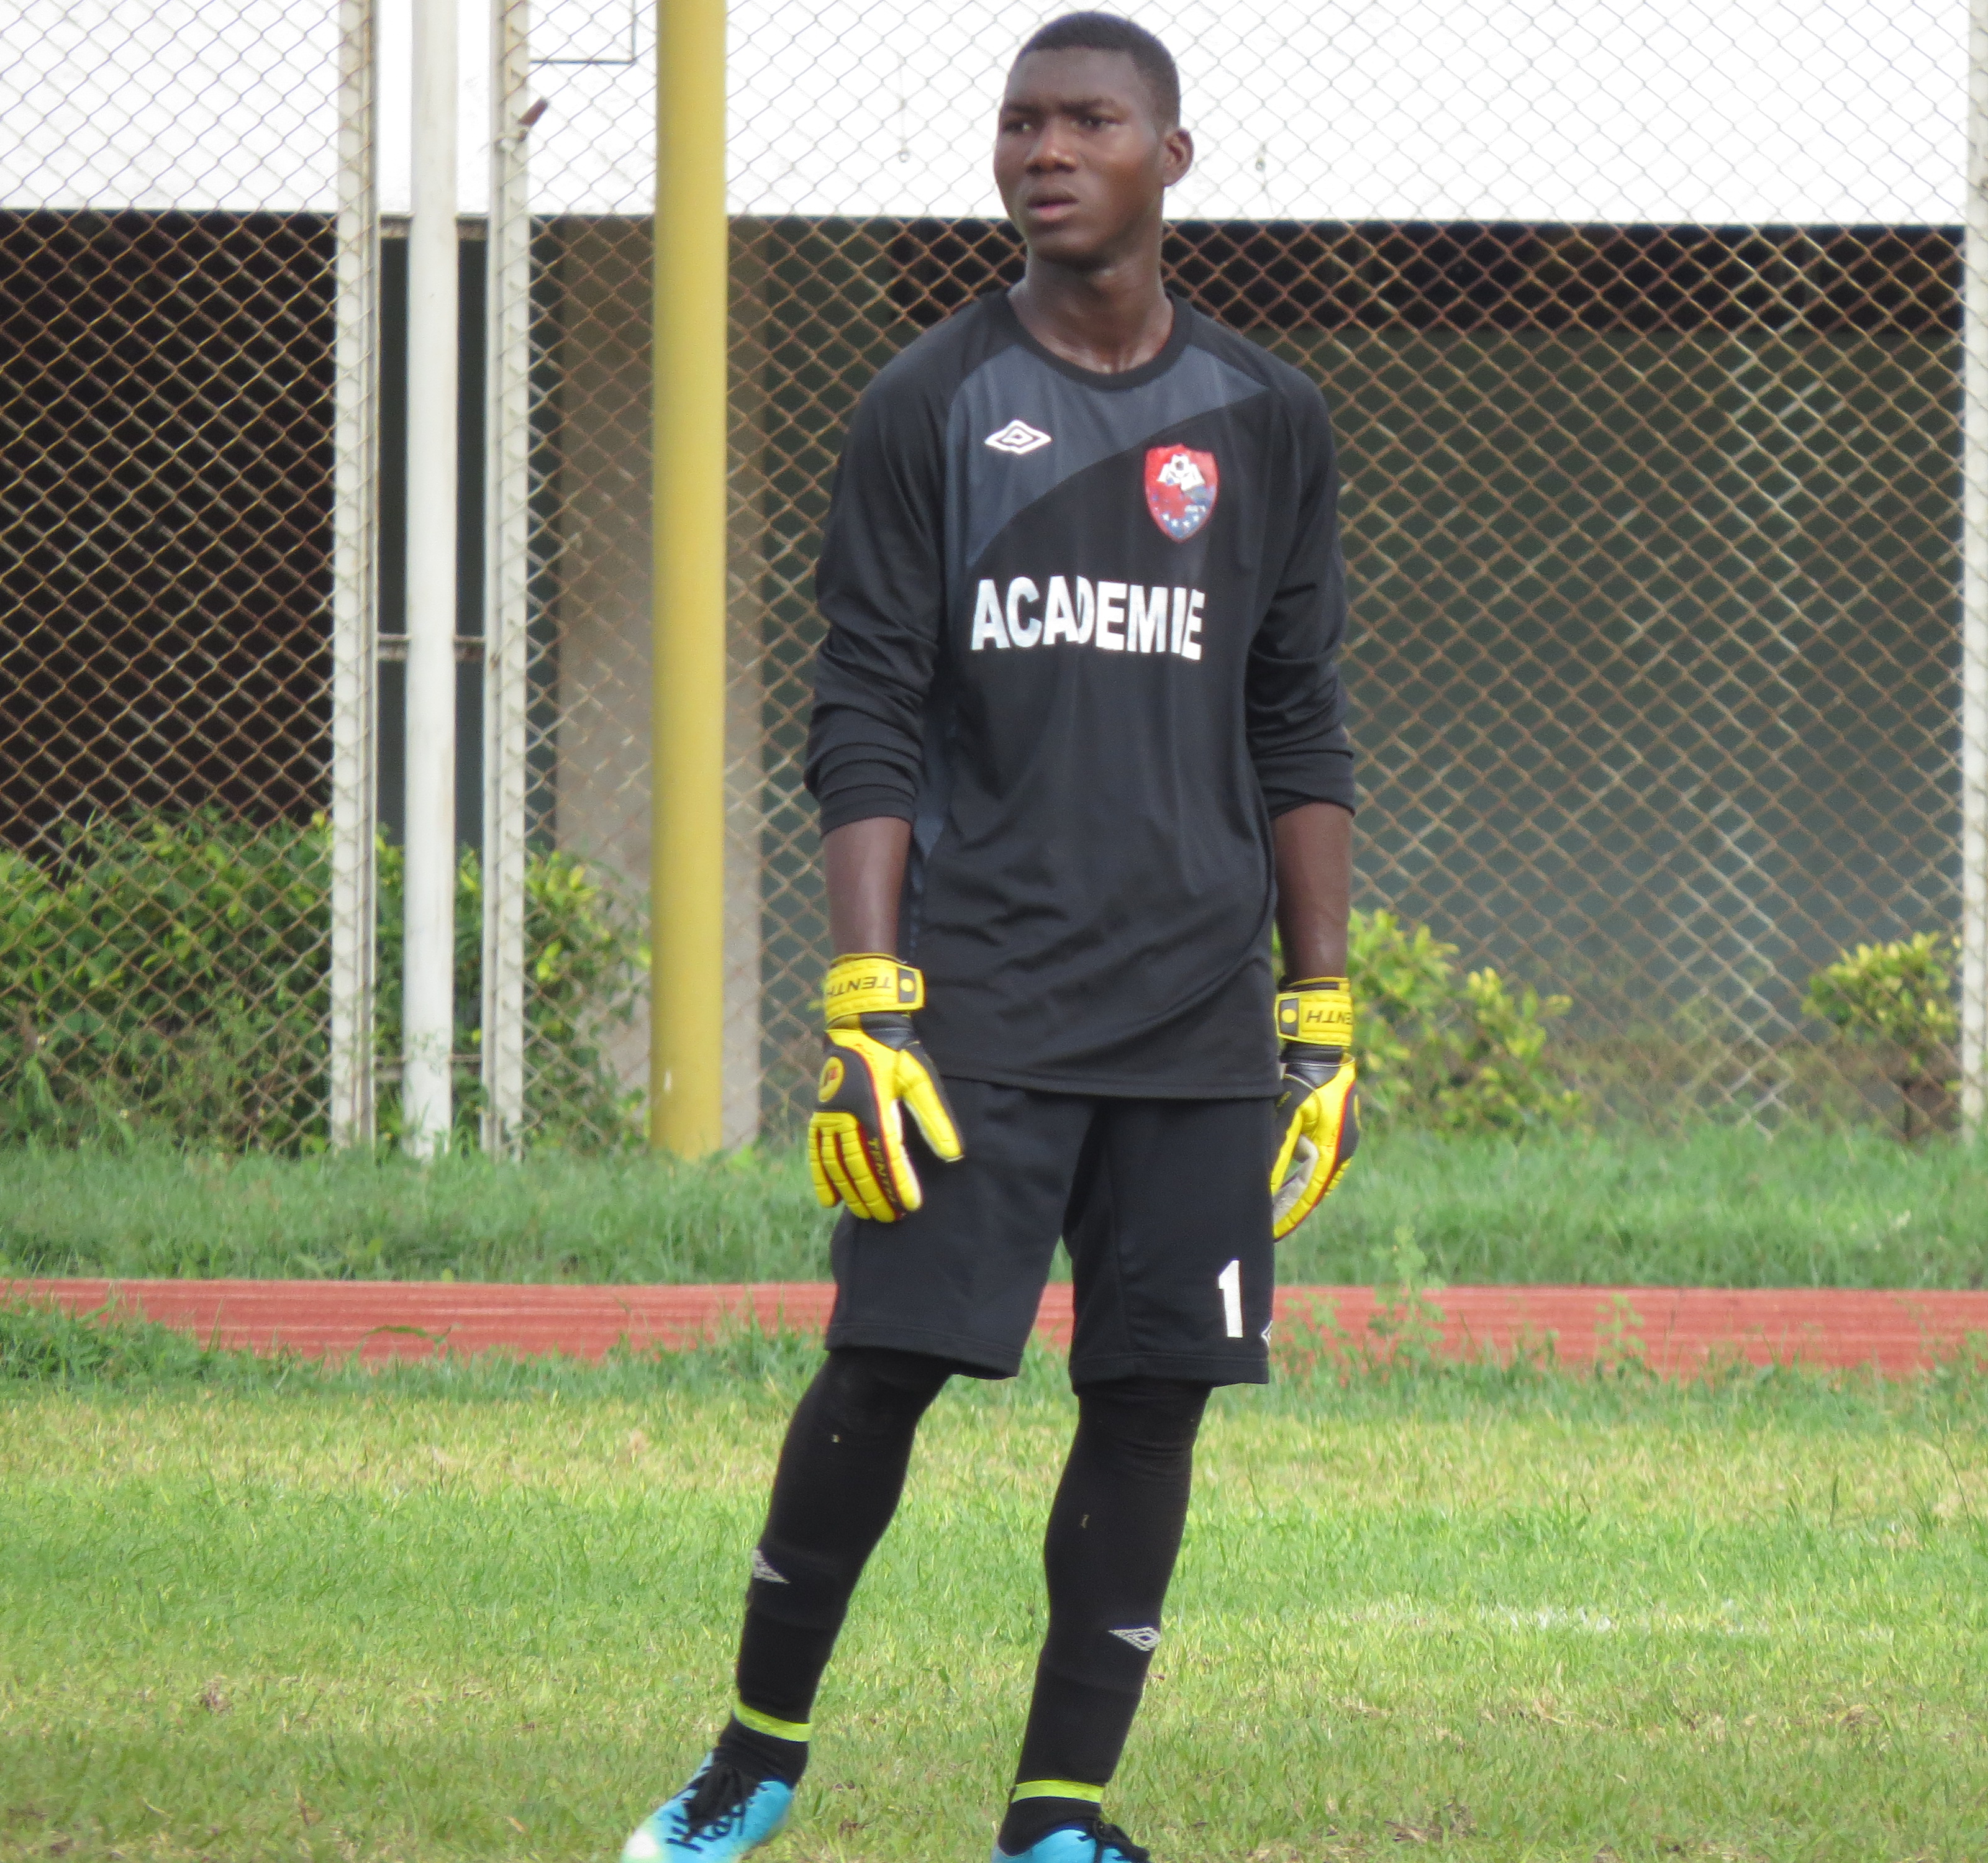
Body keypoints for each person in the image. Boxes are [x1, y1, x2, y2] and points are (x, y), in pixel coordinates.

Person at [619, 14, 1361, 1861]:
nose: (1046, 150)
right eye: (1021, 122)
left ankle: (1056, 1818)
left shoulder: (1268, 417)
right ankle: (752, 1765)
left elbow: (1299, 724)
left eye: (1089, 121)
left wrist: (1322, 1011)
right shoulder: (927, 403)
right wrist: (870, 1001)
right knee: (883, 1367)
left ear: (1170, 158)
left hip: (1195, 1022)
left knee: (1154, 1400)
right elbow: (863, 710)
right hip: (978, 1007)